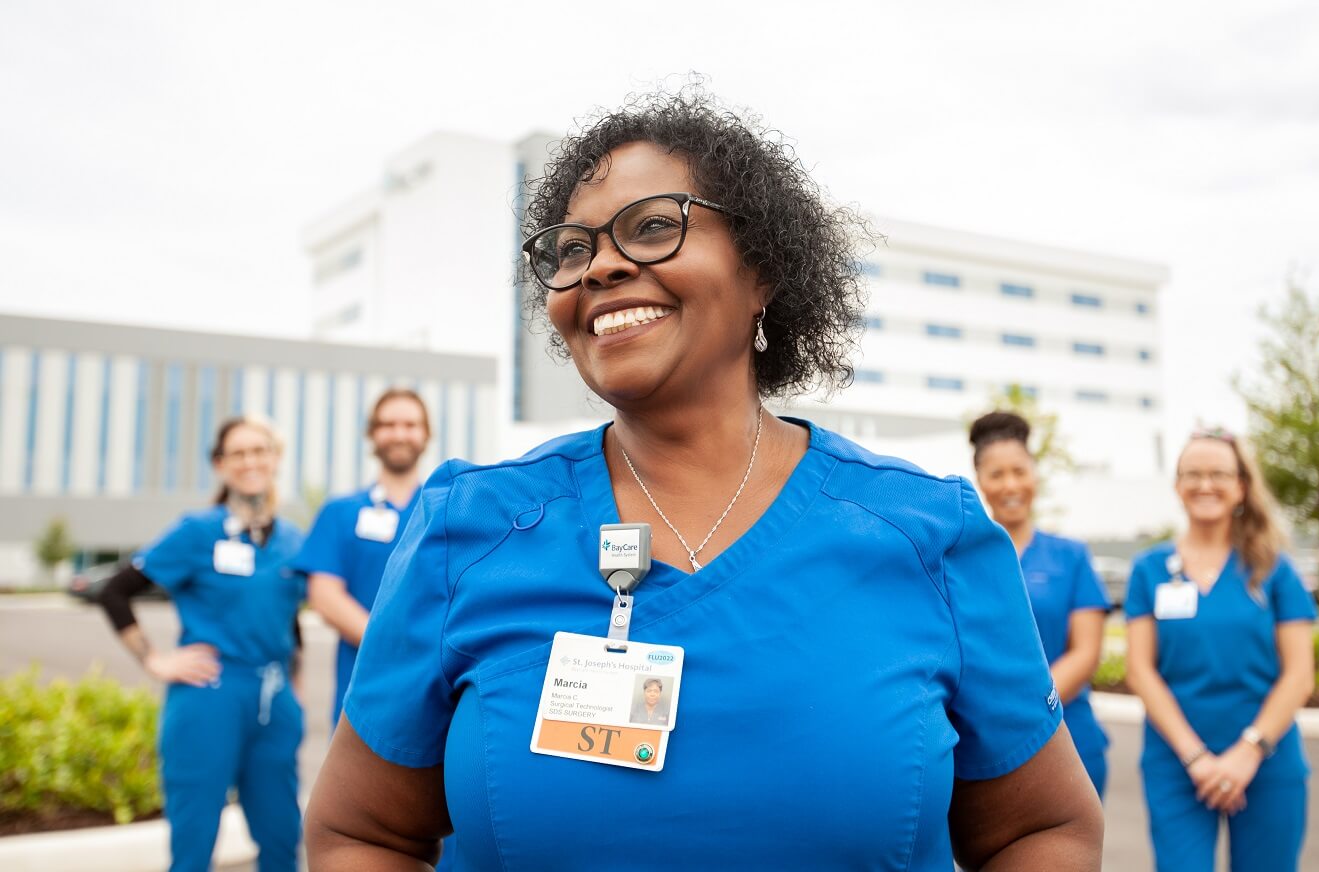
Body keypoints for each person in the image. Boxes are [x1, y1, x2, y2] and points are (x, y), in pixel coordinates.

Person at [306, 88, 1103, 871]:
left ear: (762, 271)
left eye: (653, 226)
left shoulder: (929, 535)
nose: (603, 266)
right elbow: (360, 835)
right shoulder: (470, 529)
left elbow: (1042, 831)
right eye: (573, 249)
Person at [98, 416, 306, 872]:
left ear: (275, 459)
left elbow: (290, 619)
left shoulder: (293, 540)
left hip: (275, 700)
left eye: (260, 450)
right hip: (210, 693)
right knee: (193, 844)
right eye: (238, 452)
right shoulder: (197, 531)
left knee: (283, 840)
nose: (250, 461)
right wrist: (154, 661)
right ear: (219, 464)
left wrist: (296, 686)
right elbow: (115, 591)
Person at [1124, 428, 1317, 872]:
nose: (1205, 484)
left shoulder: (1274, 568)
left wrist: (1247, 752)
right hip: (1176, 763)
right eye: (1193, 474)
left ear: (1241, 487)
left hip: (1268, 762)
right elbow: (1140, 671)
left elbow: (1299, 675)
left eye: (1218, 474)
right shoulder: (1149, 569)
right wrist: (1197, 758)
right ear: (1176, 486)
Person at [968, 411, 1111, 798]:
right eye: (996, 474)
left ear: (1035, 475)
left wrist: (1028, 712)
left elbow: (1086, 652)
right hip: (984, 746)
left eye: (1019, 471)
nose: (1010, 484)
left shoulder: (1071, 557)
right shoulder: (962, 558)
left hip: (1071, 738)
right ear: (979, 480)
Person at [294, 387, 430, 728]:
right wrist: (395, 648)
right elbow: (324, 596)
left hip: (431, 690)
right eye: (388, 424)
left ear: (426, 434)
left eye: (410, 424)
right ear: (372, 434)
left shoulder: (446, 512)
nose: (399, 433)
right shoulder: (339, 513)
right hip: (362, 690)